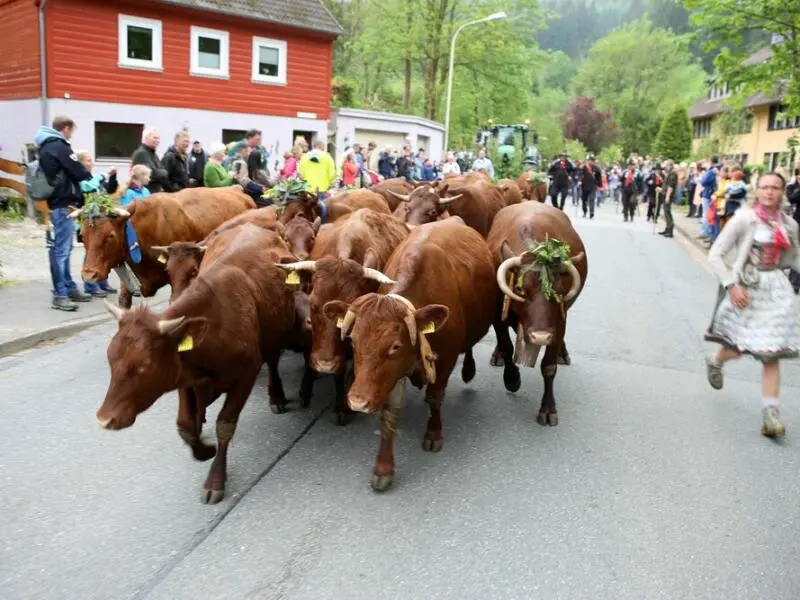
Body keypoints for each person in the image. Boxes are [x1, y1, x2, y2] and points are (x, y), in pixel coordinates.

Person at [705, 172, 800, 438]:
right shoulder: (744, 219)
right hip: (745, 287)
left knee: (771, 352)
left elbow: (793, 259)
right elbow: (715, 255)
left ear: (782, 192)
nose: (770, 192)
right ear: (757, 191)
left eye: (776, 188)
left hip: (775, 289)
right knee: (737, 348)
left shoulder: (790, 225)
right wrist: (731, 285)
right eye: (765, 187)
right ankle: (715, 361)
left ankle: (771, 415)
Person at [35, 115, 93, 311]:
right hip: (63, 204)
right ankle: (60, 294)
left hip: (57, 203)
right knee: (61, 252)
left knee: (64, 250)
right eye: (71, 131)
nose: (71, 135)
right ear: (66, 128)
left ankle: (68, 288)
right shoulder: (59, 146)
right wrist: (87, 173)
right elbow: (78, 171)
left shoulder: (44, 146)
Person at [75, 150, 118, 297]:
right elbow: (88, 187)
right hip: (86, 224)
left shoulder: (92, 178)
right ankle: (90, 285)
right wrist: (103, 175)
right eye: (88, 160)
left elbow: (108, 189)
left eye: (91, 159)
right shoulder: (80, 178)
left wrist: (113, 178)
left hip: (98, 223)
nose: (91, 162)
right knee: (90, 253)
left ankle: (101, 281)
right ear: (80, 163)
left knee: (99, 251)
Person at [131, 128, 169, 193]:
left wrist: (163, 172)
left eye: (158, 138)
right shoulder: (142, 153)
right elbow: (152, 173)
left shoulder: (153, 154)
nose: (158, 140)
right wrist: (164, 172)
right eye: (155, 138)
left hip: (153, 193)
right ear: (146, 138)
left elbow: (162, 170)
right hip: (144, 194)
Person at [659, 160, 678, 238]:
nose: (665, 167)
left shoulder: (673, 174)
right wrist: (661, 190)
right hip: (665, 194)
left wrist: (667, 196)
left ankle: (670, 230)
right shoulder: (669, 173)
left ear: (670, 165)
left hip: (668, 195)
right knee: (665, 213)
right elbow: (666, 185)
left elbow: (671, 186)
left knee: (667, 212)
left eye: (666, 165)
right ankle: (667, 229)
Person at [580, 155, 602, 219]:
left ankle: (591, 212)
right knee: (584, 200)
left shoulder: (597, 169)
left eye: (593, 160)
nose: (591, 162)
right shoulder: (584, 167)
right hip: (584, 185)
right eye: (590, 160)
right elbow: (580, 174)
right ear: (588, 161)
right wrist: (579, 180)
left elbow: (599, 178)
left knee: (592, 199)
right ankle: (584, 211)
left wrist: (599, 186)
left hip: (593, 186)